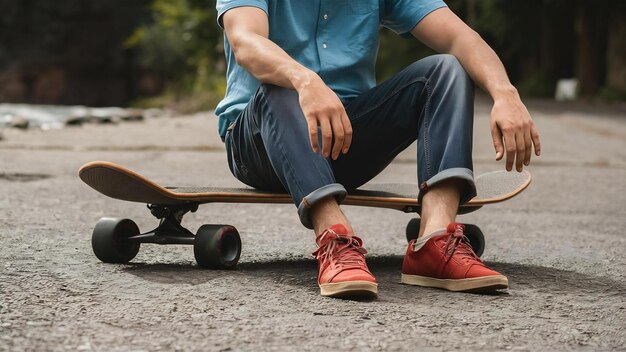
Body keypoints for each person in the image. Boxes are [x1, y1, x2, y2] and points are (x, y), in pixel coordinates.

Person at [214, 0, 541, 299]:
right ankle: (334, 237)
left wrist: (505, 94)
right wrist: (305, 81)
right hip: (259, 142)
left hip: (344, 139)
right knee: (281, 81)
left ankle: (435, 241)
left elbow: (460, 38)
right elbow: (245, 41)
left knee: (446, 70)